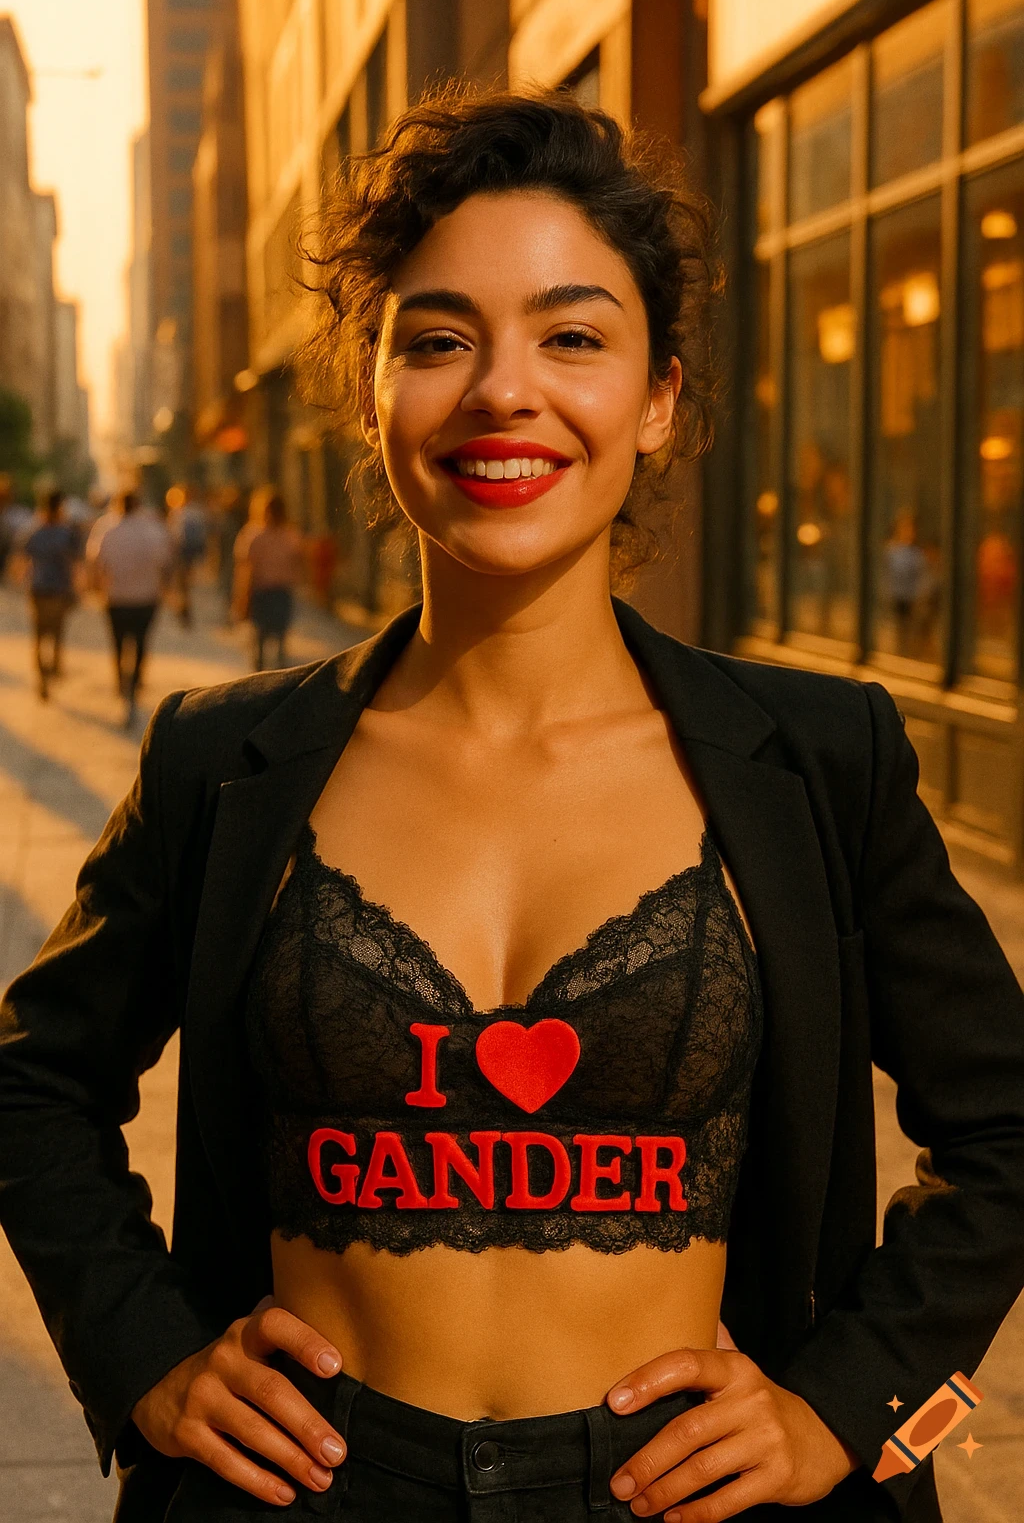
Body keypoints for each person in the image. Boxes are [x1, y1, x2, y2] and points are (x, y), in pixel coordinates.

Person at [1, 88, 1023, 1523]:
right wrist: (146, 1356)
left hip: (690, 1499)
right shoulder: (223, 764)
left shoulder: (815, 760)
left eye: (572, 335)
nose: (501, 392)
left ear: (659, 395)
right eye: (437, 339)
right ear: (371, 385)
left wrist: (851, 1407)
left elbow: (1006, 1118)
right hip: (305, 1488)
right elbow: (31, 1080)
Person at [86, 489, 172, 727]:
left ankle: (122, 684)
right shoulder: (153, 530)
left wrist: (95, 589)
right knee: (141, 643)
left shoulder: (106, 529)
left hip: (116, 598)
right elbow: (165, 563)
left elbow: (95, 562)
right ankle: (134, 686)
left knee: (118, 643)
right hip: (146, 598)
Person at [232, 487, 306, 670]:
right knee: (265, 639)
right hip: (267, 593)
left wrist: (241, 597)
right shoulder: (287, 535)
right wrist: (243, 597)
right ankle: (267, 675)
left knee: (269, 640)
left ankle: (266, 677)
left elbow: (245, 570)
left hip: (275, 592)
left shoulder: (255, 535)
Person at [21, 489, 80, 700]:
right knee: (56, 633)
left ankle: (42, 677)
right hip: (59, 590)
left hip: (37, 589)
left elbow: (23, 557)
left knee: (39, 635)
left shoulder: (34, 531)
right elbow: (76, 563)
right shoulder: (66, 533)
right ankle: (54, 668)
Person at [166, 484, 208, 628]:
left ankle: (183, 608)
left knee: (180, 584)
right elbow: (203, 535)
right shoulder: (198, 512)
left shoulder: (178, 513)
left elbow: (172, 536)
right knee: (185, 583)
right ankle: (184, 607)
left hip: (180, 553)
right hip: (192, 553)